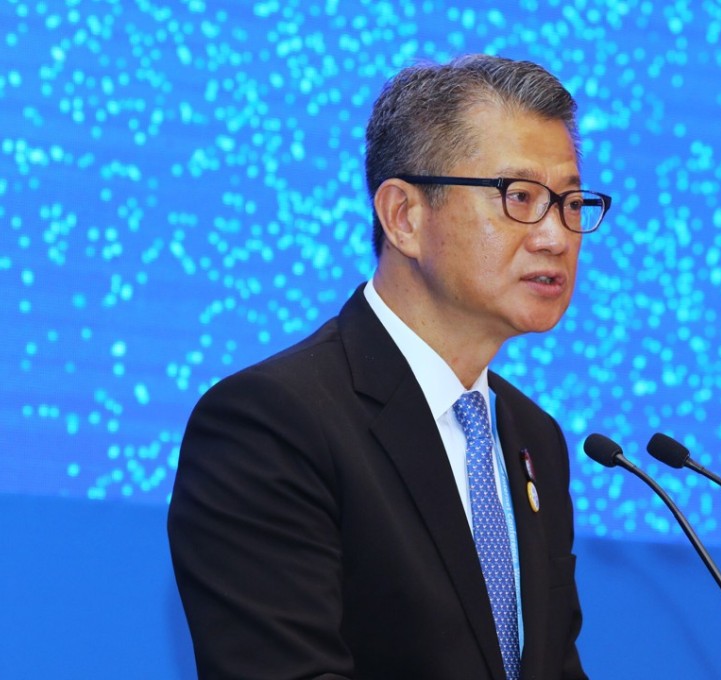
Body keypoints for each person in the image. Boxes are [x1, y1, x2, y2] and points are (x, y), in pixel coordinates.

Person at [167, 54, 612, 680]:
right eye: (519, 197)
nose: (555, 236)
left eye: (570, 202)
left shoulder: (532, 439)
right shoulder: (273, 425)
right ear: (404, 216)